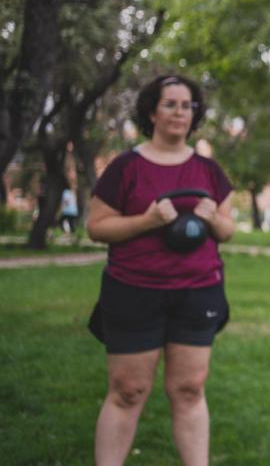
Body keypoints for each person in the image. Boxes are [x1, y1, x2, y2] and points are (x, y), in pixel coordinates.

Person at [86, 75, 235, 466]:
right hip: (134, 291)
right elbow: (97, 227)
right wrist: (147, 220)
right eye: (170, 104)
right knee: (127, 390)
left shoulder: (209, 171)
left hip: (197, 291)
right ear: (152, 111)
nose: (179, 113)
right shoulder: (125, 167)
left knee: (189, 388)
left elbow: (227, 229)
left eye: (187, 106)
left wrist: (213, 220)